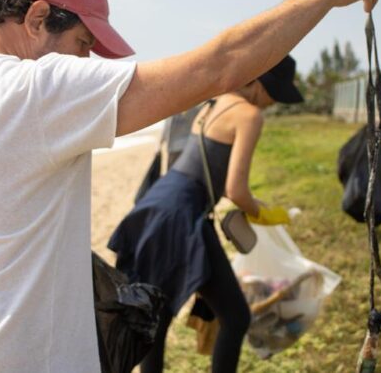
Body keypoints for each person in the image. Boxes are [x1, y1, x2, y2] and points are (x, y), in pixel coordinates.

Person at [0, 0, 377, 372]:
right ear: (37, 17)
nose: (85, 63)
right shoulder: (38, 89)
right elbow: (218, 66)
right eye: (82, 44)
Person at [108, 55, 303, 373]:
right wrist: (262, 214)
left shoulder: (216, 102)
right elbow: (236, 190)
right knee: (232, 316)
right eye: (274, 93)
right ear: (261, 83)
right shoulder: (249, 115)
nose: (272, 103)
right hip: (180, 215)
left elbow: (214, 176)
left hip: (162, 204)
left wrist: (255, 206)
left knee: (157, 314)